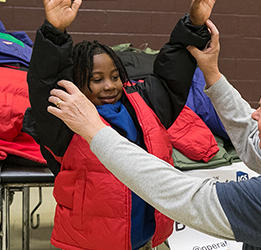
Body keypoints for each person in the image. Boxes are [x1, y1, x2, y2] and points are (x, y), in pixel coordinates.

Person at [47, 10, 261, 250]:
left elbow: (179, 194)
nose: (254, 115)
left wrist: (93, 128)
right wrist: (211, 71)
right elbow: (254, 145)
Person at [25, 0, 213, 249]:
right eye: (96, 79)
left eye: (115, 77)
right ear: (77, 84)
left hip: (147, 241)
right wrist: (54, 32)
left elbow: (173, 73)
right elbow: (45, 82)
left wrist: (195, 23)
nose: (110, 86)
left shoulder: (144, 103)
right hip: (89, 244)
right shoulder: (66, 119)